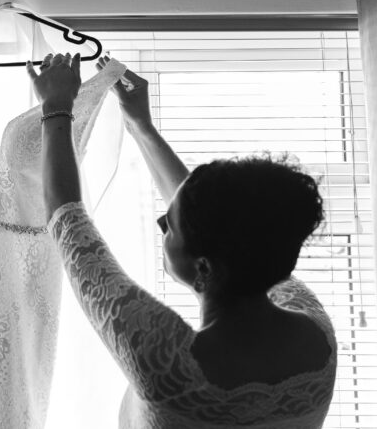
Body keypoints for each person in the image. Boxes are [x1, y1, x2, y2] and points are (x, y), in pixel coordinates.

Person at [26, 52, 337, 428]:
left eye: (168, 226)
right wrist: (141, 126)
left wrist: (56, 106)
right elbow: (221, 220)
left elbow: (68, 219)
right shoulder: (317, 337)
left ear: (203, 266)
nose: (164, 225)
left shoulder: (165, 361)